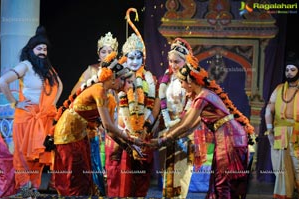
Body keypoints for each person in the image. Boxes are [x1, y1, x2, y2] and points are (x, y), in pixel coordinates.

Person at [147, 55, 255, 199]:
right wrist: (166, 139)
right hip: (229, 137)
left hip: (229, 138)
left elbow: (185, 125)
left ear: (190, 82)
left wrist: (161, 141)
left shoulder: (202, 97)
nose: (182, 86)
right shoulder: (204, 96)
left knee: (222, 183)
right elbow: (190, 127)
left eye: (182, 82)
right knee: (220, 182)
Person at [51, 52, 142, 196]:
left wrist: (128, 146)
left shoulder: (107, 96)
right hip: (67, 135)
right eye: (122, 80)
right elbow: (108, 126)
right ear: (113, 78)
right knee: (74, 179)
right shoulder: (99, 90)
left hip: (80, 135)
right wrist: (131, 139)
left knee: (85, 177)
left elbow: (110, 130)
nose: (123, 84)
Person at [0, 26, 63, 197]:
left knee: (38, 157)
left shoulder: (48, 70)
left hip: (43, 119)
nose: (42, 52)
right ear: (31, 50)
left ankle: (33, 190)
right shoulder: (25, 65)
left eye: (45, 49)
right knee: (23, 156)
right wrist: (15, 103)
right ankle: (24, 190)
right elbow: (2, 81)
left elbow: (60, 86)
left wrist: (52, 105)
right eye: (39, 48)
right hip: (26, 118)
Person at [105, 32, 158, 197]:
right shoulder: (116, 78)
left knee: (141, 174)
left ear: (143, 59)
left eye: (138, 58)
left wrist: (148, 127)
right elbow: (110, 103)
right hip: (121, 130)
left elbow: (154, 106)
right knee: (119, 172)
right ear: (124, 58)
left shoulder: (150, 79)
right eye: (131, 57)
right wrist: (120, 129)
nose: (134, 62)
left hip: (143, 132)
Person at [70, 31, 118, 196]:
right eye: (103, 51)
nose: (106, 54)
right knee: (95, 157)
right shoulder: (91, 70)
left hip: (114, 119)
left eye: (109, 51)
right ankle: (96, 191)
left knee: (114, 159)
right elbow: (75, 94)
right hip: (95, 123)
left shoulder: (120, 71)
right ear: (98, 54)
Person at [157, 37, 196, 198]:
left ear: (186, 61)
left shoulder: (192, 80)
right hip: (166, 127)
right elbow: (161, 104)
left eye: (177, 62)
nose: (173, 65)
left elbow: (192, 109)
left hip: (184, 128)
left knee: (181, 175)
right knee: (167, 174)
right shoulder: (168, 78)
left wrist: (180, 128)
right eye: (171, 61)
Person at [264, 52, 299, 199]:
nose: (289, 73)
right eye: (287, 70)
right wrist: (270, 131)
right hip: (280, 134)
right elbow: (268, 110)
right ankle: (285, 195)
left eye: (293, 70)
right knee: (282, 168)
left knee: (297, 165)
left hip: (297, 133)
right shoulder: (279, 89)